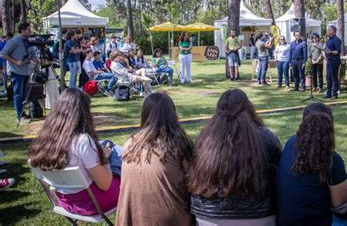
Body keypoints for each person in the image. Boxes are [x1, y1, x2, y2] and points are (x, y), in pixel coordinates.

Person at [276, 103, 347, 226]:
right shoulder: (332, 160)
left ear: (303, 122)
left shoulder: (291, 143)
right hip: (318, 222)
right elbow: (340, 205)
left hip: (283, 221)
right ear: (331, 124)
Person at [188, 89, 281, 225]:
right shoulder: (267, 138)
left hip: (210, 217)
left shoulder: (204, 140)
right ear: (249, 108)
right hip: (258, 216)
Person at [28, 88, 120, 215]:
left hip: (66, 202)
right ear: (83, 113)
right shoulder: (82, 141)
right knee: (127, 173)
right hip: (93, 203)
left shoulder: (43, 141)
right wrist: (104, 159)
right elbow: (105, 185)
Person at [116, 92, 193, 225]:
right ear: (172, 114)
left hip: (131, 217)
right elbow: (193, 183)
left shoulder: (130, 143)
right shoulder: (178, 144)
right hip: (170, 219)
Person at [1, 23, 36, 122]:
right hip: (16, 72)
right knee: (18, 94)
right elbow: (3, 54)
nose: (30, 32)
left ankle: (22, 113)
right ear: (22, 30)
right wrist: (16, 62)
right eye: (28, 30)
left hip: (26, 71)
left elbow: (32, 54)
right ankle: (19, 117)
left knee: (24, 95)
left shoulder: (28, 42)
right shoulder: (14, 41)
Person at [325, 25, 342, 99]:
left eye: (329, 30)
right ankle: (328, 93)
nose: (327, 31)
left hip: (334, 60)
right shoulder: (328, 40)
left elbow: (338, 51)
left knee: (334, 77)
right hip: (329, 60)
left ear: (333, 31)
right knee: (328, 77)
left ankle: (334, 94)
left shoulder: (336, 39)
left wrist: (331, 52)